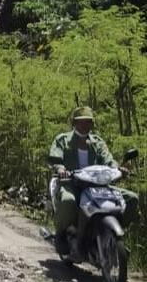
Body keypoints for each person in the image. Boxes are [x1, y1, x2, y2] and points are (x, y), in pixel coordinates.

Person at [49, 106, 139, 255]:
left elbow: (109, 160)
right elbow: (55, 158)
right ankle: (61, 235)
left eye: (88, 122)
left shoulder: (97, 142)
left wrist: (118, 169)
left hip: (98, 185)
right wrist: (60, 169)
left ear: (92, 124)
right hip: (72, 184)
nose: (84, 125)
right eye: (81, 122)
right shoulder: (63, 140)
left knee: (131, 199)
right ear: (74, 123)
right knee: (67, 201)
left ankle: (113, 237)